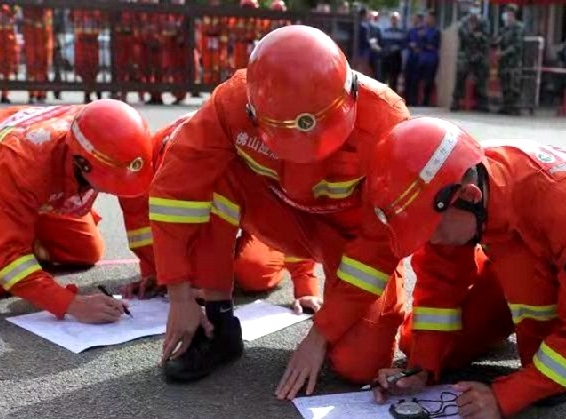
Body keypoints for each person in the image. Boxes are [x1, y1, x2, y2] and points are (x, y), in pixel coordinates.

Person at [148, 26, 409, 392]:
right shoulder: (234, 101)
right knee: (213, 173)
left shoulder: (389, 123)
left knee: (360, 363)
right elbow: (175, 188)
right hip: (278, 216)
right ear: (254, 112)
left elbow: (380, 245)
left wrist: (320, 335)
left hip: (347, 240)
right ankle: (218, 323)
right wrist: (178, 293)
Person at [366, 117, 566, 419]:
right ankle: (511, 326)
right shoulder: (454, 194)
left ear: (470, 197)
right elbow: (439, 282)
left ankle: (532, 347)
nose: (428, 239)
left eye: (429, 228)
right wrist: (422, 368)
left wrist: (504, 397)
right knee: (419, 345)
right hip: (516, 251)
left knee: (544, 368)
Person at [0, 100, 153, 322]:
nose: (114, 190)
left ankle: (18, 225)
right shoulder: (22, 165)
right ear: (81, 163)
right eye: (109, 181)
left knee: (85, 251)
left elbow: (137, 209)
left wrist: (152, 271)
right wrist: (72, 305)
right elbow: (6, 260)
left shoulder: (107, 133)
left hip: (30, 181)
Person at [123, 112, 322, 311]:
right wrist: (154, 272)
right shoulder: (146, 163)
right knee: (195, 275)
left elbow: (288, 217)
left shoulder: (251, 156)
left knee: (254, 271)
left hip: (249, 201)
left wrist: (305, 286)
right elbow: (141, 223)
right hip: (212, 192)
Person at [451, 6, 491, 112]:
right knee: (460, 76)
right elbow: (464, 35)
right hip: (466, 54)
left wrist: (477, 36)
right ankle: (456, 101)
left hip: (480, 53)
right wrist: (474, 34)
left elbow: (486, 38)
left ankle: (483, 104)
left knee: (482, 78)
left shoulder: (484, 22)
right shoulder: (464, 22)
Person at [22, 2, 53, 104]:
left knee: (43, 63)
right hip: (32, 33)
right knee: (31, 63)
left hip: (44, 34)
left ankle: (41, 92)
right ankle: (32, 92)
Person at [496, 4, 524, 115]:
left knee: (513, 84)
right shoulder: (504, 29)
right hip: (504, 62)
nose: (507, 16)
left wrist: (503, 53)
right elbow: (500, 41)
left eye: (509, 13)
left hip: (513, 61)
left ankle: (514, 107)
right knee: (505, 84)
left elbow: (516, 45)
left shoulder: (518, 28)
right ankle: (506, 106)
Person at [415, 11, 440, 106]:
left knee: (429, 80)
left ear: (433, 19)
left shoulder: (436, 31)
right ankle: (417, 100)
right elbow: (418, 44)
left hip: (431, 59)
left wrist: (425, 45)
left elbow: (434, 45)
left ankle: (426, 100)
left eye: (429, 18)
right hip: (421, 59)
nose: (427, 19)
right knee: (417, 80)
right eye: (426, 17)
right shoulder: (421, 30)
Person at [380, 12, 406, 93]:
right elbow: (382, 43)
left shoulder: (401, 32)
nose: (394, 20)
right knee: (383, 78)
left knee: (394, 78)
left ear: (398, 20)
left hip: (396, 58)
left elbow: (403, 45)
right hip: (386, 57)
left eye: (396, 19)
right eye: (393, 18)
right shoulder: (385, 31)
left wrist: (395, 48)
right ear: (390, 20)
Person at [403, 12, 424, 105]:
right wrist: (410, 45)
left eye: (415, 18)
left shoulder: (424, 31)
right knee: (408, 79)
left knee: (416, 80)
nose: (414, 20)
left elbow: (425, 43)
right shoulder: (411, 31)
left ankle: (414, 101)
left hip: (419, 58)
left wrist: (419, 46)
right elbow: (405, 42)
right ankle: (407, 100)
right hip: (410, 58)